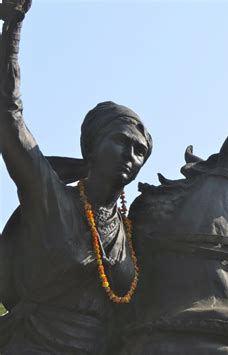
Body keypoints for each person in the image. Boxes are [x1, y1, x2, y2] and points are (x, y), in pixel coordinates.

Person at [0, 1, 153, 353]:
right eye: (121, 142)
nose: (131, 156)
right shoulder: (50, 197)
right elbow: (9, 118)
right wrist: (13, 33)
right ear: (94, 146)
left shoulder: (129, 230)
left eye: (140, 150)